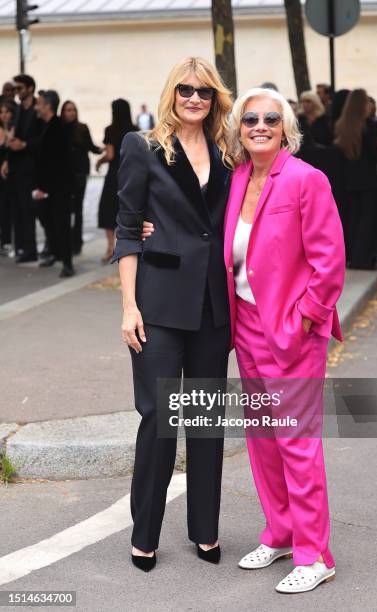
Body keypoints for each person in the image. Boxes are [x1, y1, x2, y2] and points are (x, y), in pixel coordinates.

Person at [111, 56, 233, 572]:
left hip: (212, 307)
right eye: (184, 89)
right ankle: (145, 535)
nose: (193, 98)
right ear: (171, 92)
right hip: (157, 306)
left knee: (204, 422)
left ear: (215, 100)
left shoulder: (230, 153)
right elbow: (127, 228)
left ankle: (204, 530)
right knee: (158, 420)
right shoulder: (144, 147)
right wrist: (128, 307)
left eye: (203, 92)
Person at [224, 87, 345, 593]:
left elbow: (329, 259)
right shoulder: (236, 179)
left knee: (296, 441)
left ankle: (315, 554)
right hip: (247, 326)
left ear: (285, 126)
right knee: (263, 440)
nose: (260, 125)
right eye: (250, 118)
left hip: (292, 332)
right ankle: (279, 532)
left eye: (270, 118)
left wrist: (307, 319)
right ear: (239, 126)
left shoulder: (304, 179)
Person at [335, 88, 377, 269]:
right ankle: (362, 258)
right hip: (368, 178)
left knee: (352, 218)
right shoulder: (370, 125)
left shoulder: (341, 125)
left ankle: (349, 256)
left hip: (349, 179)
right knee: (367, 219)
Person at [2, 74, 44, 262]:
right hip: (17, 166)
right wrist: (7, 160)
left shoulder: (37, 109)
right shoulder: (18, 111)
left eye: (20, 88)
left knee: (32, 210)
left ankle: (32, 249)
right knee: (18, 208)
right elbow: (14, 137)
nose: (17, 92)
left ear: (30, 88)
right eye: (16, 89)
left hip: (34, 167)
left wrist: (25, 144)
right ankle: (23, 248)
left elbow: (43, 138)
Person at [33, 90, 75, 277]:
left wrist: (46, 188)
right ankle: (56, 253)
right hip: (49, 188)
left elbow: (58, 163)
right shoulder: (46, 126)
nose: (37, 106)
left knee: (61, 225)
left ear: (48, 106)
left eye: (39, 103)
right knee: (48, 221)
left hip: (58, 189)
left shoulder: (57, 128)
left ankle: (67, 262)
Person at [97, 99, 138, 263]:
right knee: (127, 209)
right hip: (131, 174)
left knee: (107, 209)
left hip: (114, 175)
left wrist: (100, 161)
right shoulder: (135, 130)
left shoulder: (110, 130)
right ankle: (126, 248)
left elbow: (110, 155)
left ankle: (110, 248)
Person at [61, 100, 102, 255]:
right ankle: (65, 240)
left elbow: (90, 146)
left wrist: (101, 150)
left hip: (80, 173)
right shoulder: (59, 128)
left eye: (73, 110)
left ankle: (76, 242)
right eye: (67, 110)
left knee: (77, 209)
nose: (70, 113)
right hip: (64, 174)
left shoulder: (82, 128)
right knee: (65, 209)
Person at [0, 101, 15, 252]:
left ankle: (7, 240)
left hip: (9, 174)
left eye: (7, 112)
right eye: (1, 112)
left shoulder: (14, 129)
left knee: (7, 207)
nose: (4, 115)